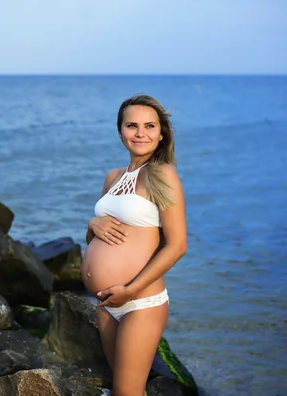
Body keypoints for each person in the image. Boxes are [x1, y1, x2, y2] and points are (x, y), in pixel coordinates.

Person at [81, 94, 187, 396]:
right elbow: (99, 238)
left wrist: (130, 290)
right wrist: (92, 224)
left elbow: (177, 246)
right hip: (106, 303)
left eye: (149, 126)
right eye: (132, 125)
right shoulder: (112, 177)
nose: (140, 133)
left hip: (140, 302)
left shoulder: (163, 174)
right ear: (120, 132)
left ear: (161, 133)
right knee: (125, 390)